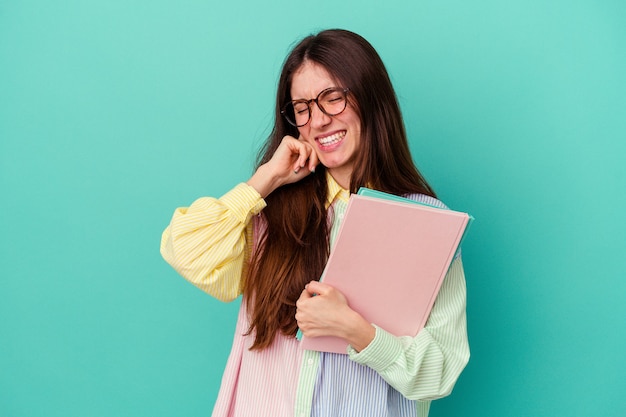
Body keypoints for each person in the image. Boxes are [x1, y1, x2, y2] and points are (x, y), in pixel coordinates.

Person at [160, 29, 469, 417]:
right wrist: (265, 180)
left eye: (333, 98)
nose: (318, 120)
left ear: (370, 98)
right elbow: (184, 249)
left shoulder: (426, 224)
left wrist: (356, 330)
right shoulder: (267, 212)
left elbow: (439, 373)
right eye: (302, 108)